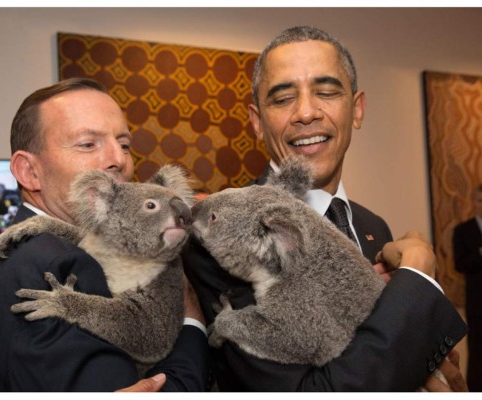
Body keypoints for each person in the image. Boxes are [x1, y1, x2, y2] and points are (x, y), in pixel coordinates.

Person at [183, 25, 468, 391]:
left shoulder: (372, 226)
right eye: (283, 98)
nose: (306, 112)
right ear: (257, 122)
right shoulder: (219, 236)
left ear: (357, 109)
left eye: (327, 91)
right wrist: (418, 276)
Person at [0, 78, 209, 391]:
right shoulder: (65, 264)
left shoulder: (36, 248)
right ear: (29, 172)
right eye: (87, 144)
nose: (118, 159)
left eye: (124, 145)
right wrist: (192, 321)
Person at [453, 183, 482, 391]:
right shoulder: (463, 230)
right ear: (473, 202)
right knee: (478, 354)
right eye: (480, 200)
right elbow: (459, 264)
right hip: (477, 304)